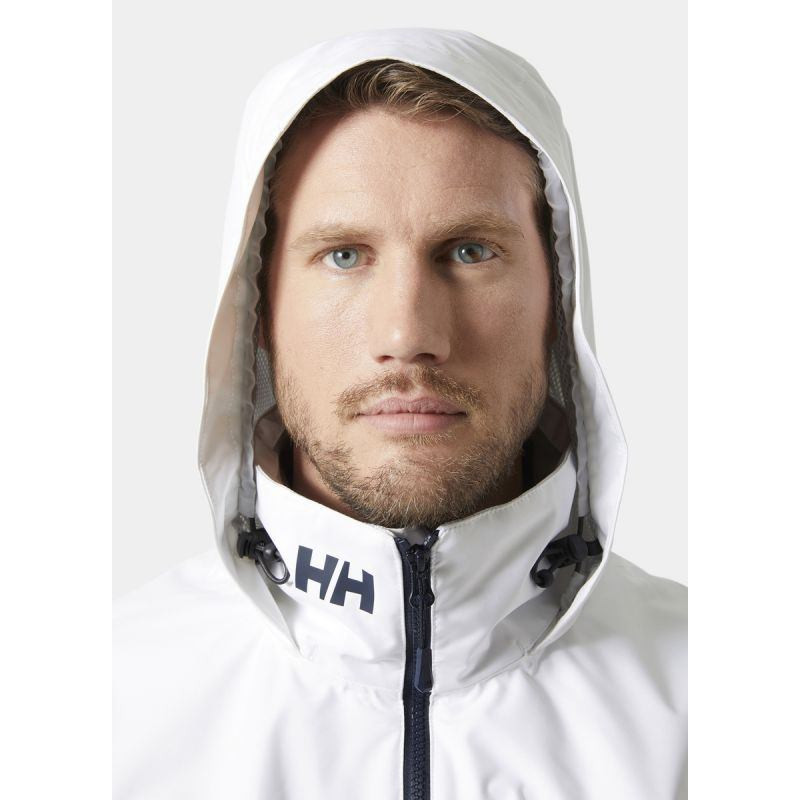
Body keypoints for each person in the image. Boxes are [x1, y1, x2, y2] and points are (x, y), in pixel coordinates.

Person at [113, 27, 687, 799]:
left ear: (559, 299)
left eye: (470, 251)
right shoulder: (105, 713)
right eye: (344, 255)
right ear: (258, 308)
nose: (408, 334)